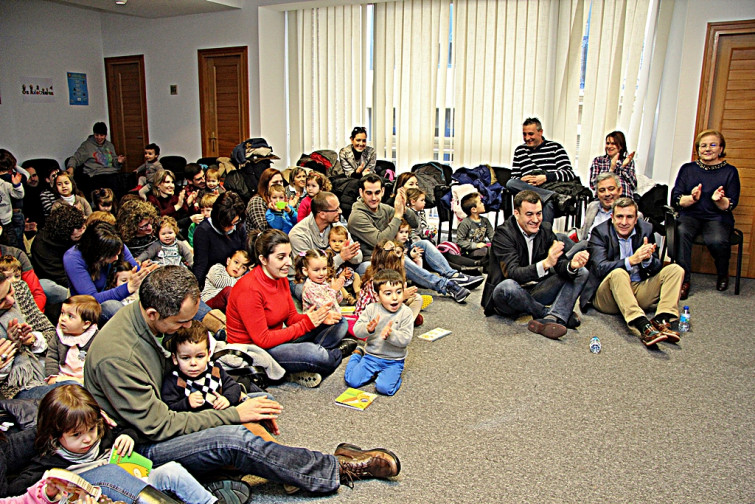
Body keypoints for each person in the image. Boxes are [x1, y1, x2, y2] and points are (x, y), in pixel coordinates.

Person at [84, 265, 401, 494]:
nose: (186, 328)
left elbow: (181, 383)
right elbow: (159, 426)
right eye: (181, 322)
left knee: (251, 404)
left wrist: (238, 402)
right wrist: (233, 415)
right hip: (138, 446)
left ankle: (275, 469)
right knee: (233, 438)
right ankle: (334, 466)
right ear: (154, 314)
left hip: (167, 409)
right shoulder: (120, 356)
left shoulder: (146, 318)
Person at [13, 384, 216, 504]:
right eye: (76, 434)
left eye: (92, 429)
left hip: (139, 478)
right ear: (55, 436)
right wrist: (47, 491)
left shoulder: (102, 435)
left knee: (172, 470)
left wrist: (128, 436)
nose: (88, 439)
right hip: (110, 497)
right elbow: (17, 490)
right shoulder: (48, 463)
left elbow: (126, 430)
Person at [226, 230, 354, 387]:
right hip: (257, 349)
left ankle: (300, 362)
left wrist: (317, 318)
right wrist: (307, 323)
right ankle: (332, 354)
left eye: (289, 255)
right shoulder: (249, 288)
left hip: (278, 338)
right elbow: (263, 339)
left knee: (339, 323)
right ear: (263, 259)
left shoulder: (280, 278)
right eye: (281, 257)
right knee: (316, 355)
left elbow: (291, 317)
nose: (289, 262)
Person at [348, 174, 482, 303]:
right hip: (369, 261)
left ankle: (453, 275)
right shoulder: (356, 217)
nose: (373, 197)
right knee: (396, 256)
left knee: (423, 243)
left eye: (377, 193)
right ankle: (446, 286)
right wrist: (397, 215)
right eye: (369, 193)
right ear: (361, 192)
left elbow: (414, 223)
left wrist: (404, 208)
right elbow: (381, 241)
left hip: (393, 253)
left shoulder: (382, 208)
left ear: (382, 191)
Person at [481, 190, 590, 340]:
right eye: (529, 214)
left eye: (538, 213)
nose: (535, 219)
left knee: (581, 272)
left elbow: (560, 263)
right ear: (517, 213)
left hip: (535, 291)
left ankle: (552, 318)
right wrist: (545, 264)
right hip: (507, 297)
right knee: (508, 286)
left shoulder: (545, 230)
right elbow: (513, 273)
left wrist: (571, 265)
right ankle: (549, 314)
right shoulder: (503, 234)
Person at [582, 197, 683, 347]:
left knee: (675, 270)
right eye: (619, 217)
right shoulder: (599, 232)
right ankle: (643, 325)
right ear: (612, 218)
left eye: (629, 217)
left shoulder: (646, 229)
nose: (624, 222)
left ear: (636, 219)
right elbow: (599, 268)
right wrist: (631, 260)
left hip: (636, 289)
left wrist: (647, 260)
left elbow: (656, 267)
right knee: (619, 272)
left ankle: (662, 318)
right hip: (606, 296)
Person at [671, 129, 740, 299]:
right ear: (698, 149)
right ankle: (683, 280)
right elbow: (676, 198)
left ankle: (723, 273)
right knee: (681, 231)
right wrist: (691, 198)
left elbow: (730, 204)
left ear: (721, 149)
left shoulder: (730, 171)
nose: (707, 149)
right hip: (690, 215)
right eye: (703, 145)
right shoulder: (688, 169)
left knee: (716, 240)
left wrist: (719, 200)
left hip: (717, 217)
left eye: (713, 145)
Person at [161, 321, 267, 412]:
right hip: (204, 422)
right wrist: (186, 403)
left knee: (266, 400)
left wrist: (227, 399)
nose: (193, 363)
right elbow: (168, 407)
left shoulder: (214, 369)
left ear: (208, 354)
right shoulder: (174, 379)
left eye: (200, 356)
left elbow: (233, 386)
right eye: (185, 358)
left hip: (222, 410)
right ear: (175, 358)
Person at [63, 222, 155, 321]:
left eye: (118, 253)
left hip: (117, 295)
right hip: (89, 308)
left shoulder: (114, 244)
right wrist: (128, 287)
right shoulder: (73, 259)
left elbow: (136, 271)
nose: (116, 258)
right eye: (112, 255)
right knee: (113, 307)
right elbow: (92, 300)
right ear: (97, 254)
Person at [347, 269, 414, 396]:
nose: (394, 297)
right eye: (388, 293)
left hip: (394, 360)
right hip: (371, 356)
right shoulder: (372, 308)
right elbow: (356, 330)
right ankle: (357, 354)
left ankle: (393, 377)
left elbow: (406, 339)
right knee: (352, 381)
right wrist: (367, 329)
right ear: (377, 296)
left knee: (384, 388)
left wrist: (391, 334)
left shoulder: (406, 313)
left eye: (399, 292)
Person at [289, 192, 364, 299]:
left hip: (337, 272)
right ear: (322, 214)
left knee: (365, 267)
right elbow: (309, 271)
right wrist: (341, 257)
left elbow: (358, 258)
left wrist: (350, 254)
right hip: (306, 279)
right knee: (312, 293)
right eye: (336, 209)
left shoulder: (337, 226)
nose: (340, 211)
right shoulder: (299, 234)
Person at [507, 117, 576, 223]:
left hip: (550, 188)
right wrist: (522, 179)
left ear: (540, 132)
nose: (527, 138)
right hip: (529, 194)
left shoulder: (556, 148)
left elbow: (569, 173)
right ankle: (553, 196)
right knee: (510, 183)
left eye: (530, 134)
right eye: (524, 134)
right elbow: (514, 178)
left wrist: (546, 178)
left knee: (547, 203)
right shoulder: (520, 151)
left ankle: (543, 238)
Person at [0, 273, 51, 399]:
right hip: (16, 390)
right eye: (1, 300)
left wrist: (32, 339)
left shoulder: (20, 291)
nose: (11, 300)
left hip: (48, 369)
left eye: (9, 290)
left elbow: (52, 334)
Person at [354, 240, 423, 326]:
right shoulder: (375, 281)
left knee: (417, 298)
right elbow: (379, 305)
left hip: (389, 309)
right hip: (371, 317)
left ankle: (405, 323)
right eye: (402, 258)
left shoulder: (396, 277)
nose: (404, 260)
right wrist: (402, 296)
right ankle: (399, 324)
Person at [192, 192, 247, 289]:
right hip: (213, 282)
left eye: (235, 222)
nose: (232, 227)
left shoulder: (239, 226)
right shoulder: (203, 231)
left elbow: (245, 256)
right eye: (227, 224)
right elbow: (200, 266)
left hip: (236, 278)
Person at [31, 205, 86, 301]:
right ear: (65, 231)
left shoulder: (78, 234)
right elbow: (58, 276)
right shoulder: (42, 245)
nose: (82, 230)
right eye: (77, 228)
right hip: (60, 285)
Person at [44, 295, 101, 384]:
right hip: (62, 377)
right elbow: (52, 357)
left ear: (86, 324)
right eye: (62, 313)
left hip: (85, 380)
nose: (63, 318)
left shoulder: (96, 338)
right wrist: (52, 375)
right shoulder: (59, 335)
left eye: (70, 316)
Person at [67, 122, 125, 198]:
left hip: (111, 173)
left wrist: (118, 161)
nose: (99, 137)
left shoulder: (109, 145)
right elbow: (75, 158)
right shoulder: (87, 145)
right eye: (96, 135)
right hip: (95, 174)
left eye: (102, 135)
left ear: (105, 135)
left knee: (122, 181)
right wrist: (71, 167)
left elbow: (114, 162)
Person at [0, 240, 46, 311]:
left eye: (17, 276)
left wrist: (29, 315)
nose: (13, 280)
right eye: (7, 277)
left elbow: (37, 294)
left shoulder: (16, 254)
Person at [589, 131, 637, 198]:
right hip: (604, 200)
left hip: (624, 199)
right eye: (607, 143)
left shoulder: (628, 161)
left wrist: (622, 166)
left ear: (621, 146)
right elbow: (593, 185)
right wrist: (611, 169)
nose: (609, 146)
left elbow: (633, 185)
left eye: (613, 143)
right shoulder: (598, 160)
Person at [296, 249, 343, 314]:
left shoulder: (325, 282)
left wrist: (337, 290)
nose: (321, 273)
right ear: (305, 271)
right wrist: (333, 290)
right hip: (320, 322)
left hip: (333, 317)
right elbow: (325, 306)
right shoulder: (309, 288)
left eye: (324, 269)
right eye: (316, 270)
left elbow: (338, 301)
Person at [327, 226, 361, 305]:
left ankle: (358, 294)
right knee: (337, 281)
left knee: (356, 276)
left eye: (340, 241)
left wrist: (347, 272)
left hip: (346, 275)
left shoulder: (346, 250)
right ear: (329, 241)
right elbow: (328, 268)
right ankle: (348, 298)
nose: (337, 244)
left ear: (345, 242)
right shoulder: (328, 253)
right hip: (334, 277)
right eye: (334, 241)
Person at [244, 168, 284, 232]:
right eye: (275, 182)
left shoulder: (282, 199)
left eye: (281, 182)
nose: (279, 184)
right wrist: (277, 212)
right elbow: (263, 228)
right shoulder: (256, 201)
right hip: (261, 239)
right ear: (266, 184)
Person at [456, 192, 493, 261]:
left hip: (483, 249)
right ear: (474, 209)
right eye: (480, 202)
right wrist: (476, 245)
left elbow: (492, 236)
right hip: (469, 252)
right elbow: (460, 241)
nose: (483, 204)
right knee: (486, 252)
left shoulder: (485, 221)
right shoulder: (465, 223)